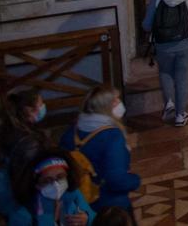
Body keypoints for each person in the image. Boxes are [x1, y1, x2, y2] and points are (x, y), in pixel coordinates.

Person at [58, 88, 137, 218]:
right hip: (111, 203)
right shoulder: (112, 136)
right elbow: (116, 179)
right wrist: (135, 181)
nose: (119, 103)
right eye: (115, 101)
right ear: (105, 108)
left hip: (82, 202)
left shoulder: (72, 131)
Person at [0, 89, 50, 216]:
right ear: (30, 110)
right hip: (23, 200)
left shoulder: (8, 129)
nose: (44, 107)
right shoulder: (28, 142)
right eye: (41, 104)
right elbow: (32, 175)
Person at [8, 151, 94, 226]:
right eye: (47, 181)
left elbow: (95, 218)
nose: (55, 184)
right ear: (37, 184)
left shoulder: (74, 194)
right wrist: (48, 220)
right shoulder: (23, 214)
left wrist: (87, 219)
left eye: (60, 177)